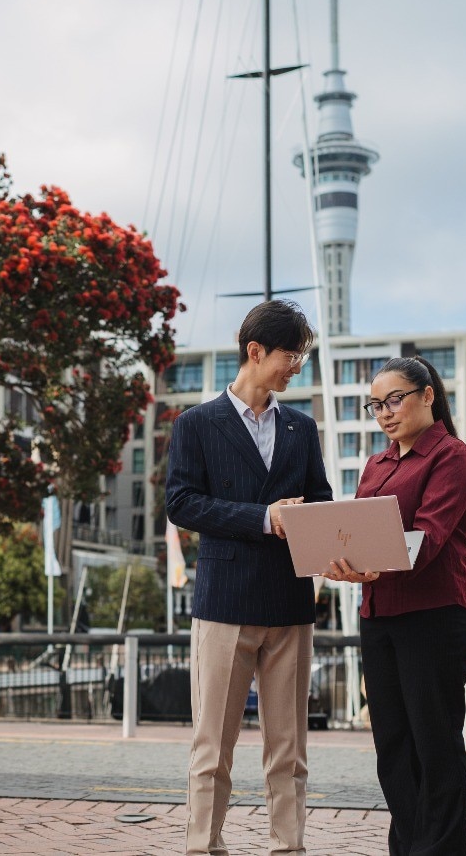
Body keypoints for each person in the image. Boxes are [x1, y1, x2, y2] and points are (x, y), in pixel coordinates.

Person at [165, 299, 334, 856]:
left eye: (302, 358)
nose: (296, 368)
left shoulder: (302, 428)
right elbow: (182, 504)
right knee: (212, 747)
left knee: (288, 751)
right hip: (223, 606)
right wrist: (266, 518)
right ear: (255, 352)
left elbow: (322, 502)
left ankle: (289, 848)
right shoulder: (194, 424)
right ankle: (202, 847)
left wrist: (339, 542)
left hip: (290, 606)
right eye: (291, 356)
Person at [323, 356, 466, 856]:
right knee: (392, 747)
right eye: (376, 405)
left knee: (434, 746)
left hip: (433, 616)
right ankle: (410, 847)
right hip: (379, 616)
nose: (385, 413)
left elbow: (430, 535)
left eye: (395, 400)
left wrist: (375, 562)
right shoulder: (376, 463)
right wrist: (342, 560)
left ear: (427, 395)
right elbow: (358, 529)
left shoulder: (452, 457)